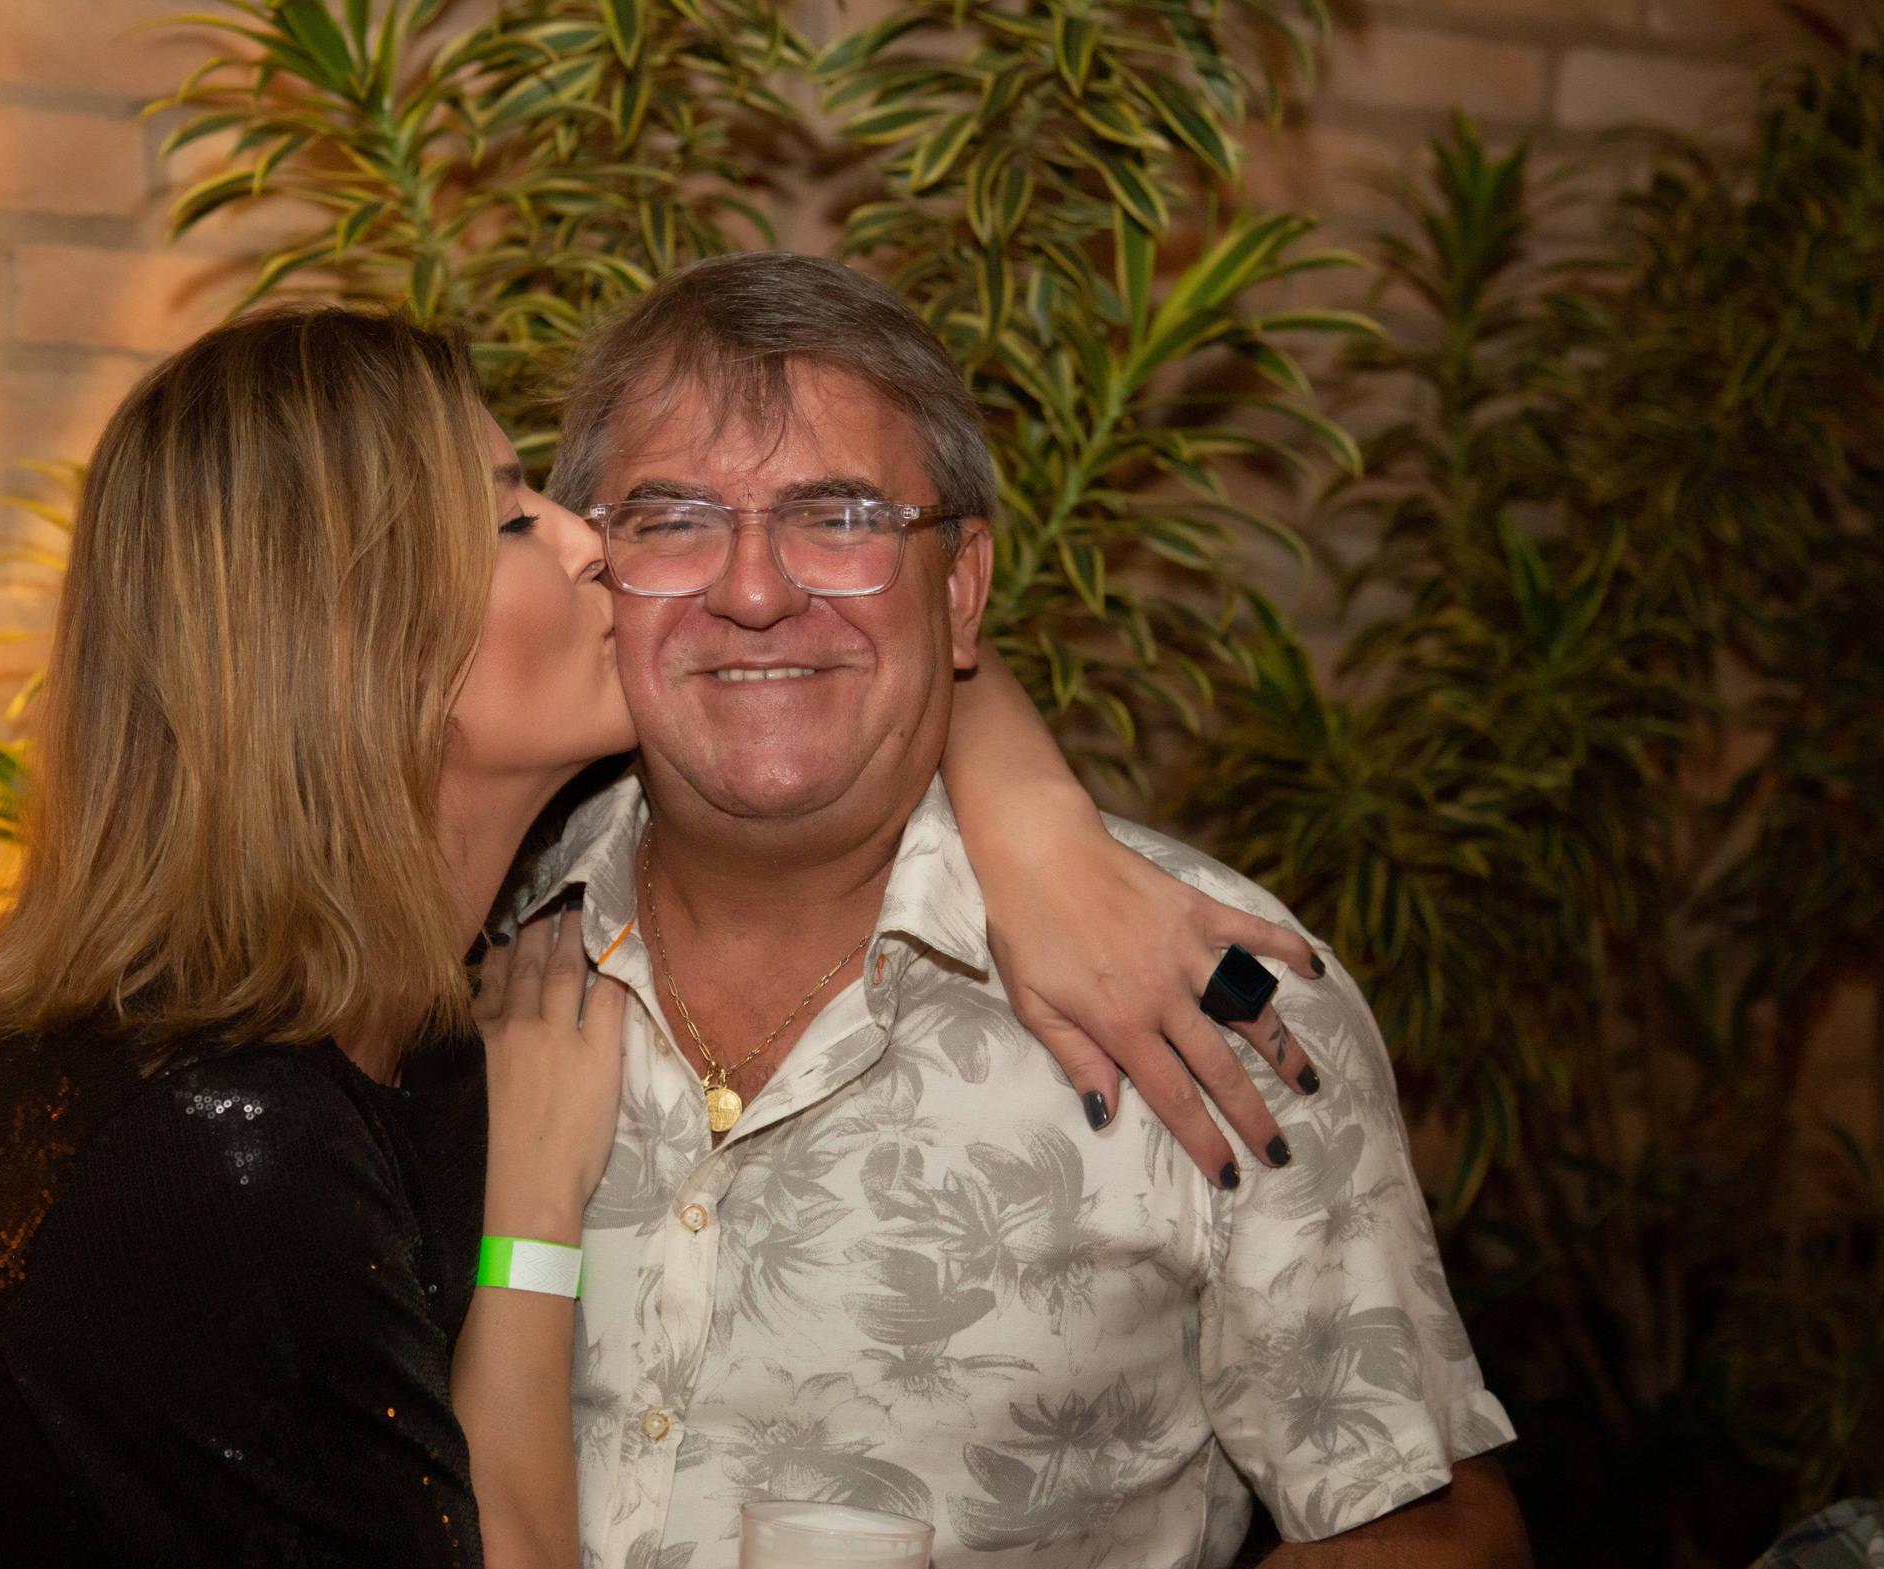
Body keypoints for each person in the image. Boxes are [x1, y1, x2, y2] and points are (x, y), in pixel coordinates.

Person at [0, 303, 1333, 1569]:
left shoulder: (403, 1028)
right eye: (513, 517)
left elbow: (844, 632)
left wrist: (1040, 835)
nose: (592, 543)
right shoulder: (220, 1145)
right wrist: (530, 1214)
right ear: (356, 639)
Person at [486, 251, 1533, 1567]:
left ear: (961, 584)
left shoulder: (1209, 990)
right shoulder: (459, 947)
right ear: (595, 575)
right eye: (676, 519)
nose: (754, 592)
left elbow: (1436, 1526)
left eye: (841, 517)